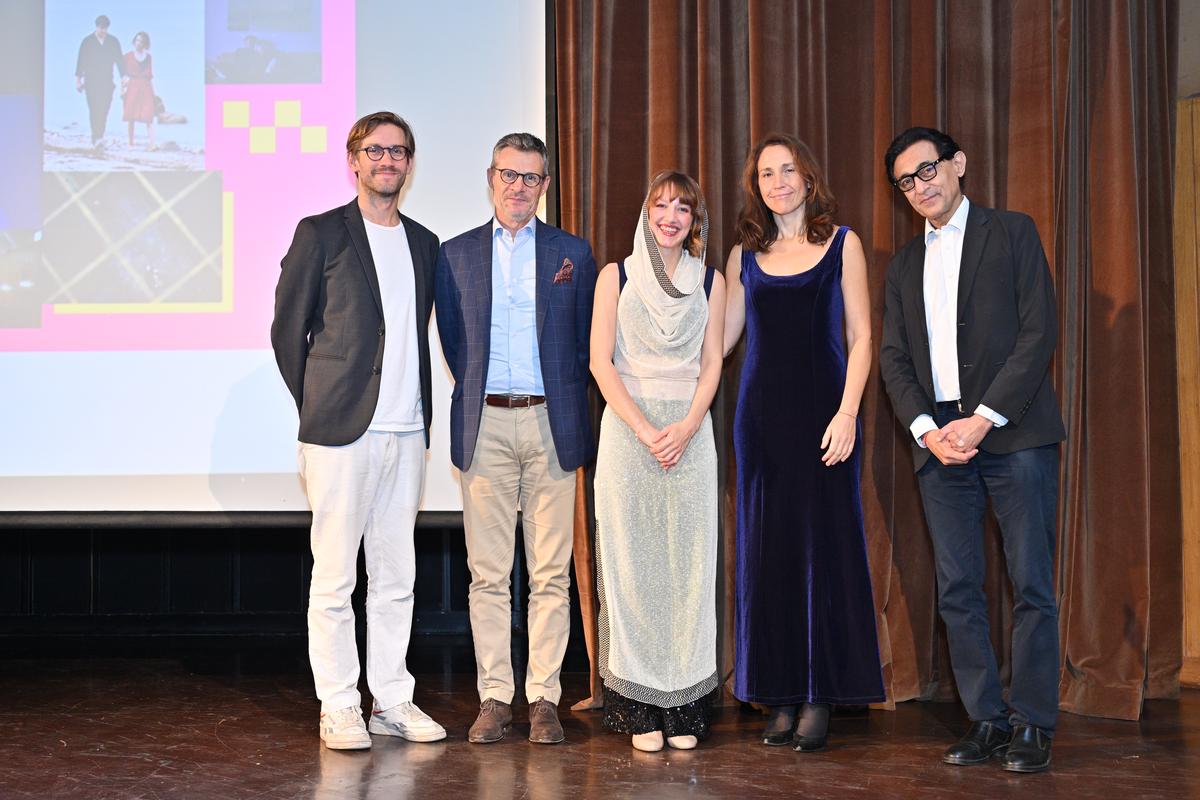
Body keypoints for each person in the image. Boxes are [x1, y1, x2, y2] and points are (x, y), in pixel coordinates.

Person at [879, 126, 1065, 773]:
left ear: (957, 165)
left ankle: (1034, 725)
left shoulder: (1013, 232)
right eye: (906, 180)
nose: (920, 185)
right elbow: (894, 361)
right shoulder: (903, 266)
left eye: (927, 169)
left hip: (1013, 435)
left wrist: (981, 420)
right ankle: (987, 719)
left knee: (1031, 582)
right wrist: (927, 430)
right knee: (959, 588)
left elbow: (1039, 332)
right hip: (940, 447)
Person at [271, 111, 446, 750]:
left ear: (409, 162)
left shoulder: (425, 244)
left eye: (398, 151)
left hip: (406, 434)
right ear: (353, 159)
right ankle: (339, 703)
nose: (387, 161)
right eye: (375, 151)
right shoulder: (320, 234)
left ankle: (392, 699)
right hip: (341, 434)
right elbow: (287, 332)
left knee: (397, 578)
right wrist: (321, 401)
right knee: (336, 578)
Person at [434, 132, 597, 745]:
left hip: (553, 422)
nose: (519, 186)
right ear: (491, 177)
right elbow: (455, 342)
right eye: (509, 174)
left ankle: (545, 698)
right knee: (488, 574)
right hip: (486, 425)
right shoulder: (456, 255)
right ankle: (495, 698)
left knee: (551, 574)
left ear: (545, 185)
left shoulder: (572, 254)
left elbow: (584, 344)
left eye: (531, 177)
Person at [723, 133, 884, 752]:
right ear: (756, 187)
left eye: (788, 170)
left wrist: (848, 413)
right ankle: (780, 694)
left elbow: (862, 337)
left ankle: (819, 695)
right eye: (767, 174)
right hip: (760, 424)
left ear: (808, 179)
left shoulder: (843, 245)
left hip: (826, 421)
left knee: (824, 553)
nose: (779, 182)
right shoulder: (745, 254)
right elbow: (720, 341)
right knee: (769, 555)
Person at [591, 171, 725, 753]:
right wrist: (646, 429)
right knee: (634, 565)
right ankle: (638, 705)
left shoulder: (712, 281)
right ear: (646, 213)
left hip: (691, 432)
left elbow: (714, 361)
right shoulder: (613, 276)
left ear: (695, 221)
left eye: (683, 208)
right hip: (628, 431)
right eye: (661, 205)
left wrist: (688, 426)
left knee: (689, 569)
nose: (671, 215)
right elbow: (601, 363)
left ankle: (686, 707)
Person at [75, 14, 125, 147]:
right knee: (94, 109)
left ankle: (99, 136)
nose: (103, 31)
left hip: (107, 81)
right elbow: (81, 61)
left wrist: (124, 77)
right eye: (100, 28)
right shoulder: (87, 41)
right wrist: (78, 81)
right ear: (96, 26)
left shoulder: (113, 41)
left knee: (104, 109)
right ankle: (97, 138)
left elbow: (120, 60)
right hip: (91, 81)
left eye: (105, 28)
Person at [122, 32, 155, 150]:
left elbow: (150, 76)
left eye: (141, 41)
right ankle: (131, 142)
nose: (138, 43)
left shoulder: (149, 58)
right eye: (137, 40)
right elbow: (123, 74)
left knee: (149, 115)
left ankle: (152, 143)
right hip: (132, 86)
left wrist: (153, 93)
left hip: (146, 87)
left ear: (145, 43)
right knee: (131, 115)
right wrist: (123, 88)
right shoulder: (127, 56)